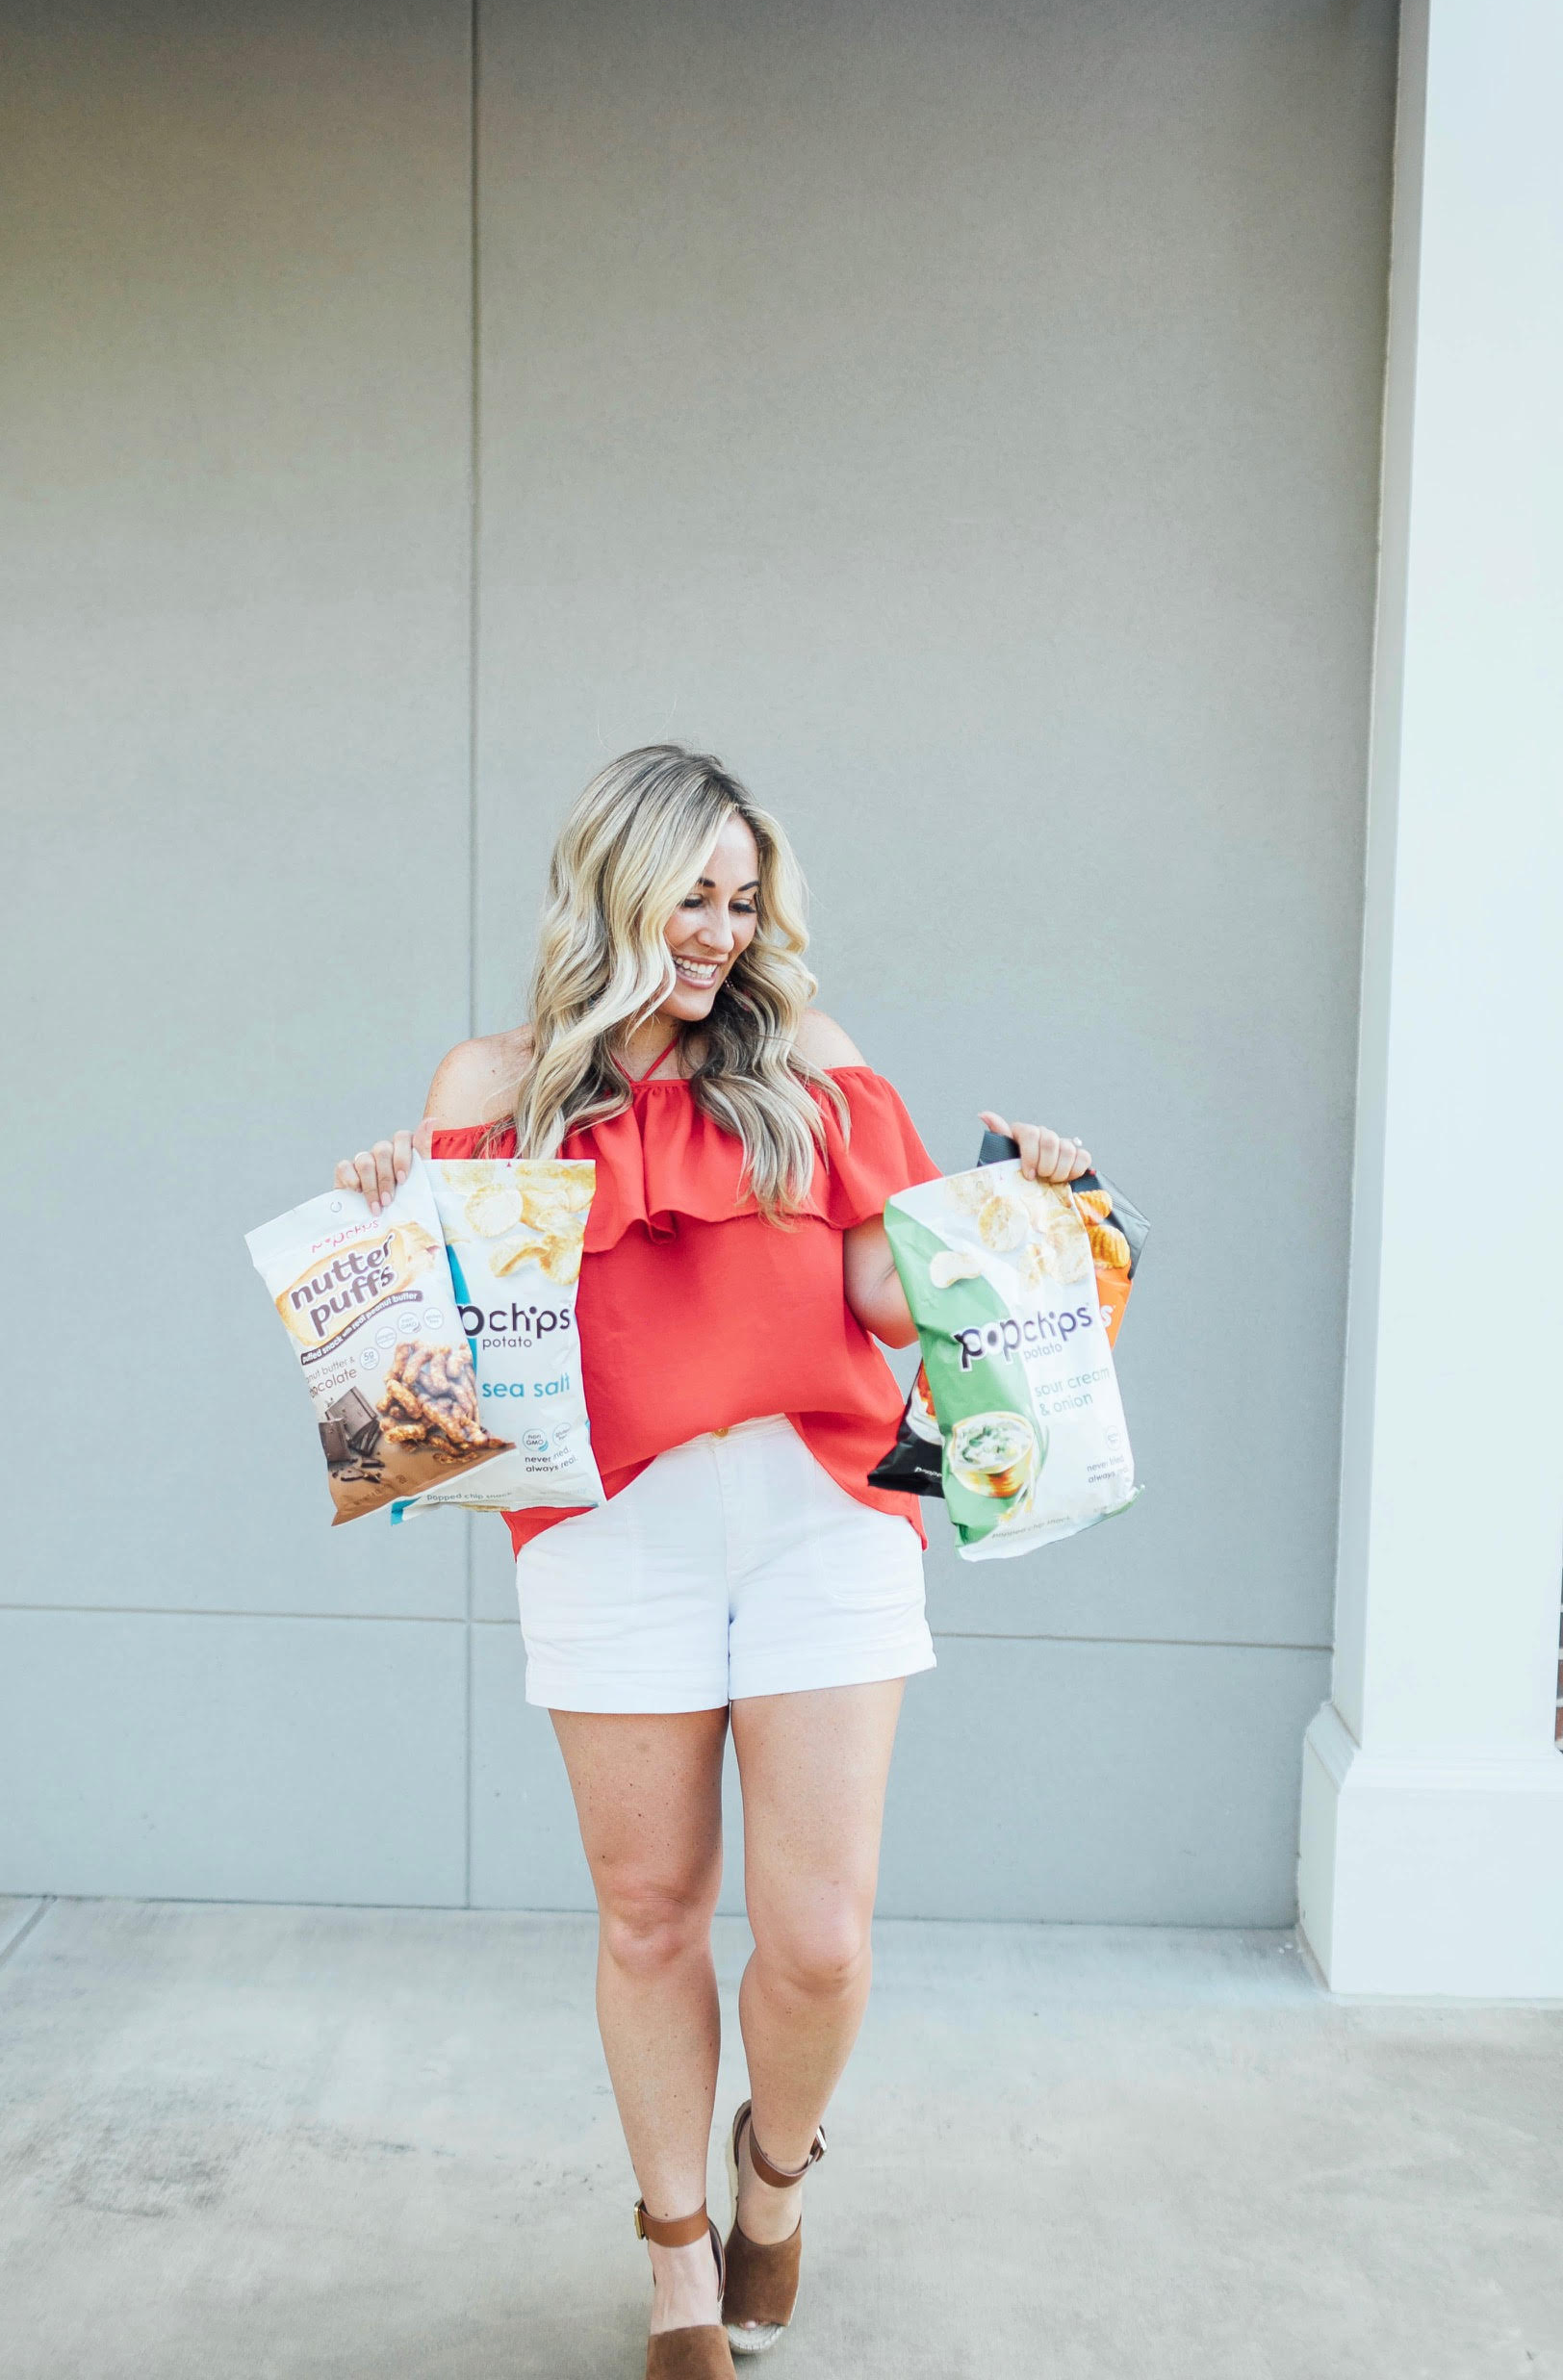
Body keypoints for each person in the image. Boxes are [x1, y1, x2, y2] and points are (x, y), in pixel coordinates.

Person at [336, 746, 1090, 2378]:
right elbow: (439, 1386)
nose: (724, 933)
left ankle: (772, 2178)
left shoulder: (805, 1060)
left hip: (823, 1512)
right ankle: (678, 2257)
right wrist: (388, 1229)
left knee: (818, 1940)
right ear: (614, 886)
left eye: (746, 903)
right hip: (615, 1539)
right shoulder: (494, 1087)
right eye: (694, 895)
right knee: (650, 1916)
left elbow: (895, 1296)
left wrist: (1028, 1217)